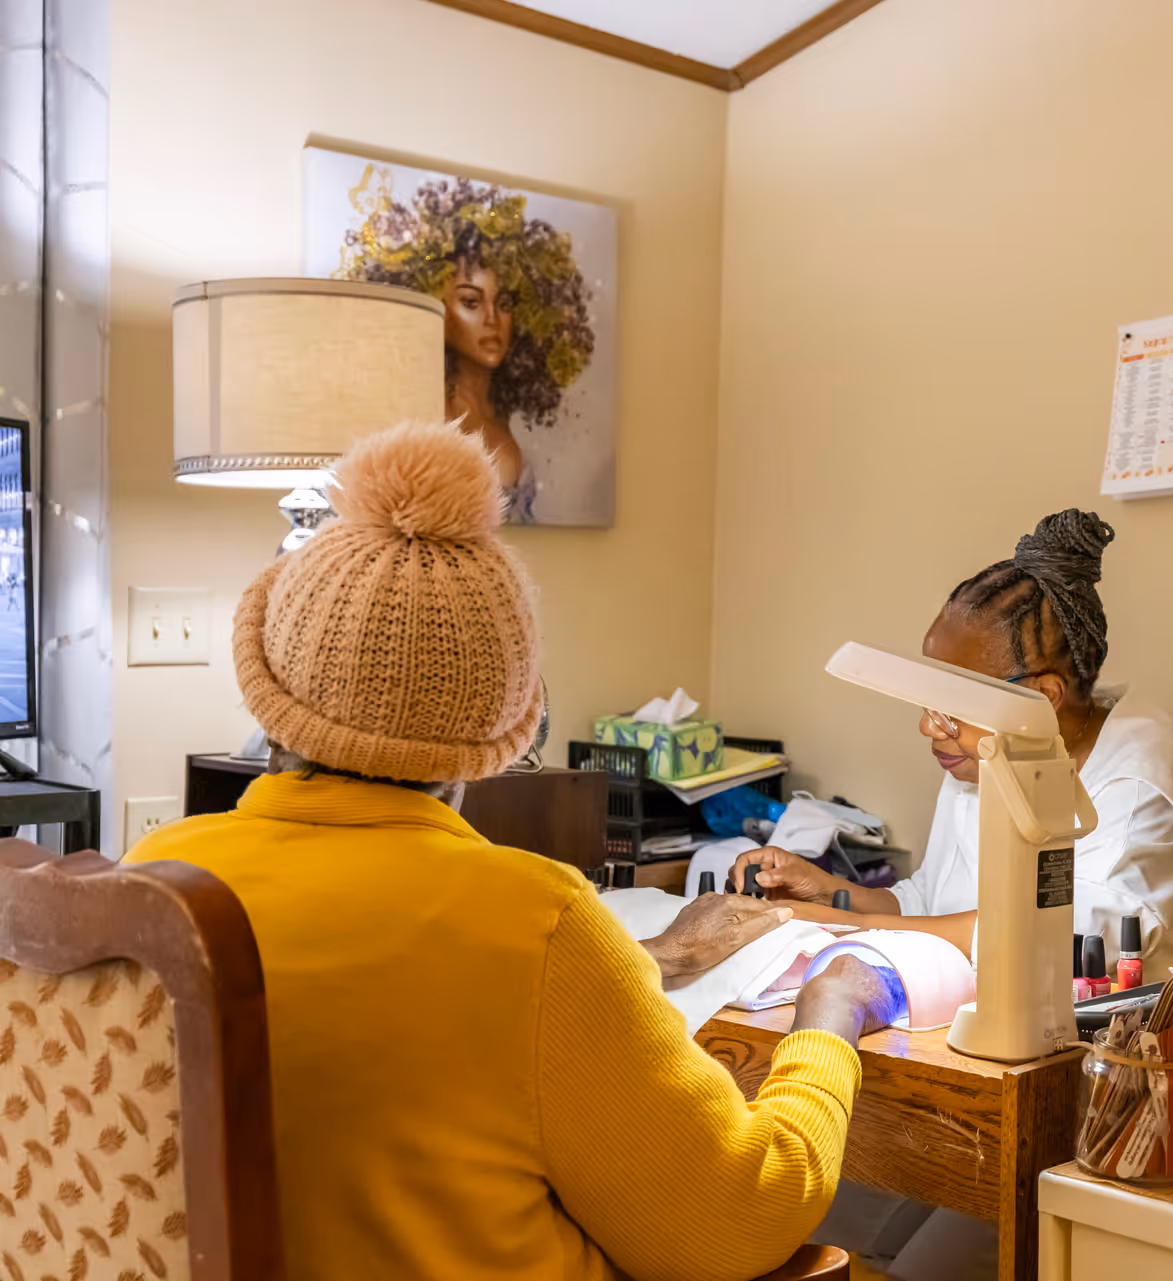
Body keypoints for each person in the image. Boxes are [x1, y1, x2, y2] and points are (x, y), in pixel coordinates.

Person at [127, 421, 893, 1281]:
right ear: (512, 724)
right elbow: (737, 1224)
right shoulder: (535, 921)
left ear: (267, 689)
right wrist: (828, 1018)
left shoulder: (159, 875)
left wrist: (653, 957)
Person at [731, 509, 1173, 983]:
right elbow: (933, 903)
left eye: (951, 705)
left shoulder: (1139, 786)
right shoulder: (991, 750)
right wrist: (824, 891)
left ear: (1042, 696)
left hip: (1153, 1050)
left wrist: (843, 924)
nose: (930, 728)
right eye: (927, 702)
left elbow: (1058, 946)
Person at [337, 175, 597, 523]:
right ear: (434, 305)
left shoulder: (507, 423)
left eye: (504, 303)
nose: (492, 319)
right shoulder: (420, 423)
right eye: (471, 302)